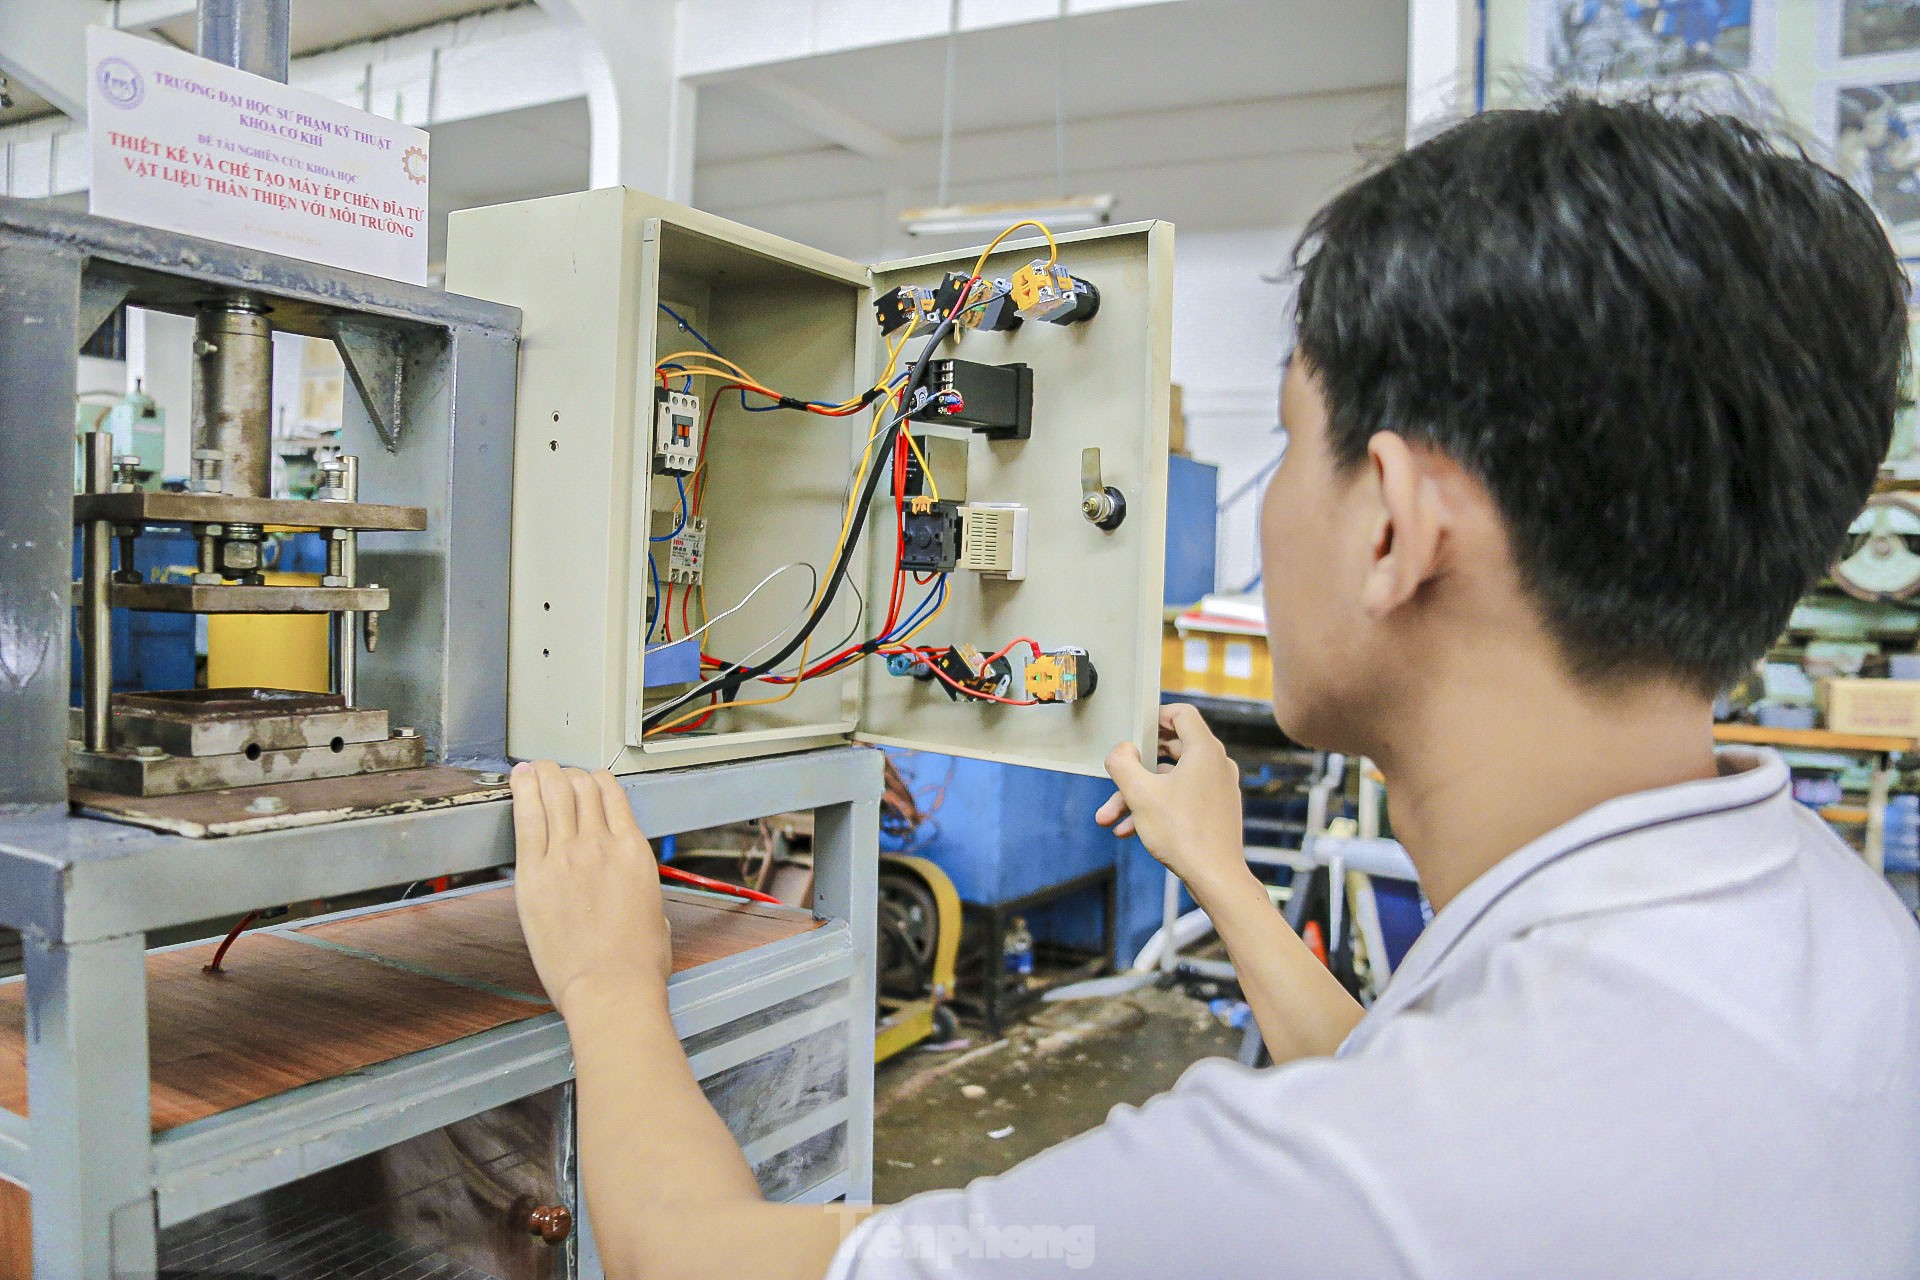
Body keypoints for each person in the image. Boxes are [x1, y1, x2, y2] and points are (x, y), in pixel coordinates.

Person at [508, 97, 1920, 1278]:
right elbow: (1403, 1081)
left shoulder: (1281, 1199)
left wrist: (612, 981)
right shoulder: (1830, 931)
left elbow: (689, 1257)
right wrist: (1226, 879)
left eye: (1295, 441)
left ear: (1393, 526)